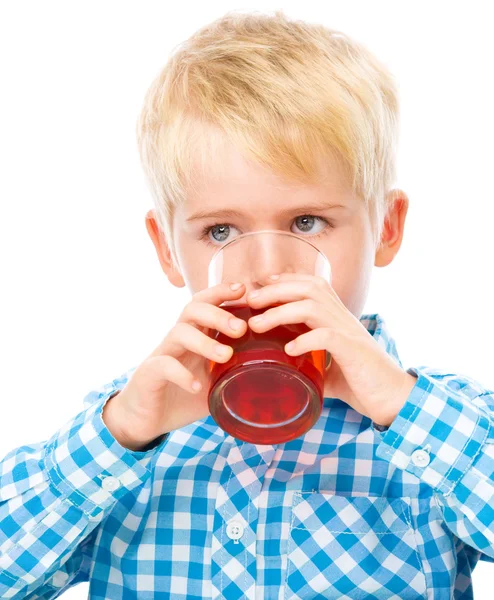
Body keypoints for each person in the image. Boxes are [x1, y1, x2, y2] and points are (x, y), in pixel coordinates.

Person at [1, 8, 492, 599]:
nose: (266, 270)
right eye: (221, 233)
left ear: (385, 228)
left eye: (306, 222)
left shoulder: (442, 429)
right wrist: (118, 434)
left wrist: (401, 405)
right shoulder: (133, 430)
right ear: (166, 248)